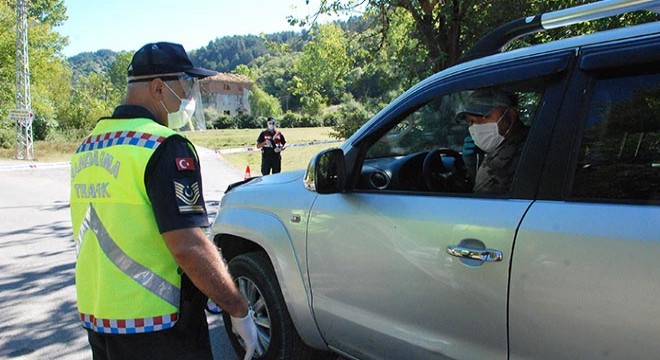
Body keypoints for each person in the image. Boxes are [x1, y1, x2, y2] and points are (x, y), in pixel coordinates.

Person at [69, 42, 258, 360]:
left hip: (99, 321)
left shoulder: (89, 146)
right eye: (185, 85)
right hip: (158, 329)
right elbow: (188, 246)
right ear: (158, 88)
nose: (188, 97)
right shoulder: (164, 146)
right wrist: (238, 308)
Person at [456, 88, 530, 194]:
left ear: (511, 114)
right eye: (471, 121)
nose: (476, 126)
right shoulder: (531, 136)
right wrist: (475, 165)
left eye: (484, 117)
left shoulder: (497, 166)